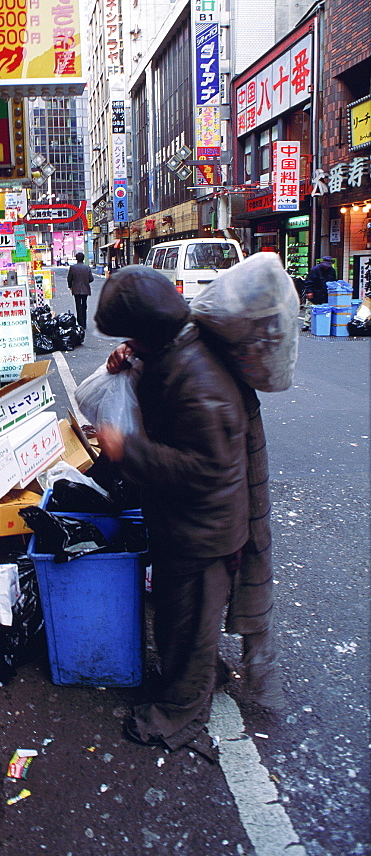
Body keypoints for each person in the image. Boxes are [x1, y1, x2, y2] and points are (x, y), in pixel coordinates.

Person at [94, 266, 283, 758]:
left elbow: (205, 468)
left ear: (153, 329)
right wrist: (131, 360)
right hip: (183, 523)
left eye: (132, 334)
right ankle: (198, 674)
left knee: (187, 623)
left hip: (205, 532)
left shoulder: (198, 379)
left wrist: (125, 451)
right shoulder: (172, 350)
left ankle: (179, 709)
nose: (129, 341)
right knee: (181, 620)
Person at [302, 256, 337, 330]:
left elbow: (334, 282)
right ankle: (306, 324)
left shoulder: (332, 271)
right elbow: (309, 281)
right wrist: (309, 291)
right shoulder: (315, 270)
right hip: (314, 292)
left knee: (323, 309)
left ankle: (323, 323)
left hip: (325, 293)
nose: (326, 267)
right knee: (310, 308)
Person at [67, 252, 94, 330]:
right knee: (84, 305)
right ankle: (84, 323)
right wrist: (86, 281)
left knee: (78, 305)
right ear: (83, 258)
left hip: (76, 289)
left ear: (76, 259)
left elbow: (69, 278)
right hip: (85, 288)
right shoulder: (87, 267)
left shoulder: (73, 268)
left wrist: (70, 286)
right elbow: (91, 279)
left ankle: (80, 322)